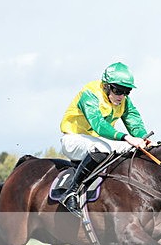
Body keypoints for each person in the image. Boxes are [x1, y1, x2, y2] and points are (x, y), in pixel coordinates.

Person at [59, 62, 151, 215]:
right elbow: (98, 125)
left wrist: (143, 139)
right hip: (73, 139)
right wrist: (126, 137)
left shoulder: (124, 101)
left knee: (135, 149)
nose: (121, 96)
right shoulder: (90, 93)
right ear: (106, 86)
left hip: (96, 141)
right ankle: (71, 193)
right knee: (102, 148)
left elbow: (135, 123)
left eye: (126, 91)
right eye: (118, 90)